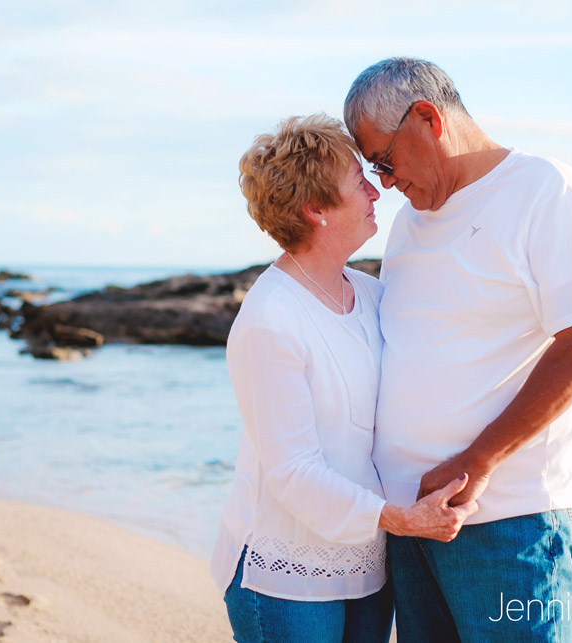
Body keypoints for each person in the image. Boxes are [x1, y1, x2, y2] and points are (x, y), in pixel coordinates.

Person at [343, 58, 572, 641]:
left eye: (386, 161)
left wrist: (475, 464)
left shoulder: (545, 189)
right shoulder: (407, 226)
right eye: (374, 168)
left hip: (504, 523)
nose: (386, 183)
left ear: (426, 118)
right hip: (409, 526)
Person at [210, 114, 479, 643]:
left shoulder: (371, 294)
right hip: (283, 579)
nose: (377, 191)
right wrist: (402, 520)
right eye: (359, 180)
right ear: (316, 209)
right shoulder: (270, 320)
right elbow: (292, 471)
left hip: (367, 568)